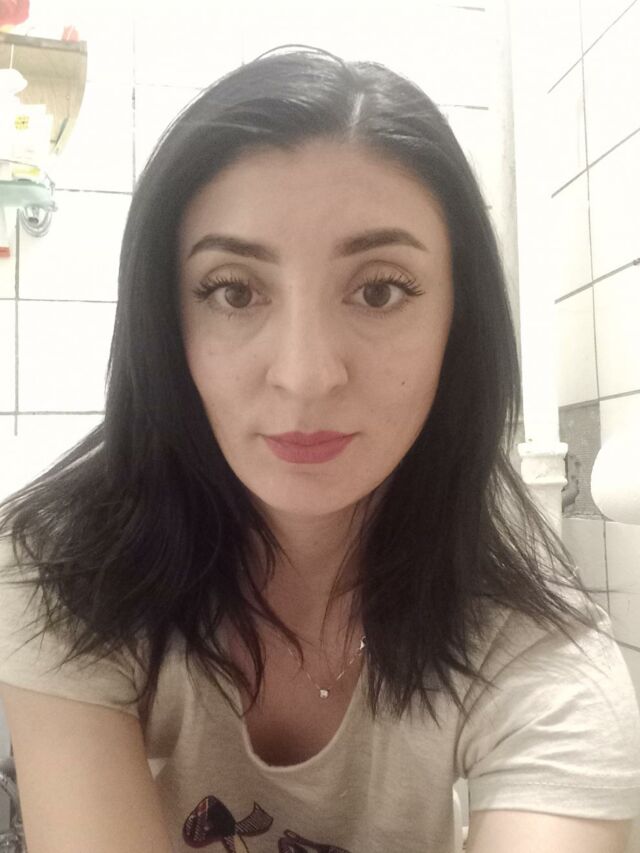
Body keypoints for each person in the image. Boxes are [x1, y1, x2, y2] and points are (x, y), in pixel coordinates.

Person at [0, 45, 639, 853]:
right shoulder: (64, 572)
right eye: (234, 290)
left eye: (379, 290)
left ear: (459, 324)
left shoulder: (542, 652)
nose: (305, 376)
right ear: (169, 325)